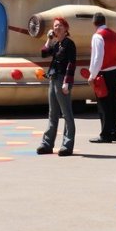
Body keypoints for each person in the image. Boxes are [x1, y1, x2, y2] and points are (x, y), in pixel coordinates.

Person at [36, 17, 77, 156]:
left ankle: (67, 144)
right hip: (53, 79)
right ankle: (47, 144)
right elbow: (43, 53)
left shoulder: (69, 44)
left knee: (67, 114)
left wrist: (67, 81)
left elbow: (71, 64)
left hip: (62, 80)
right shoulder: (57, 44)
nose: (56, 28)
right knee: (52, 114)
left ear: (66, 29)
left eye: (59, 26)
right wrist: (49, 39)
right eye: (55, 26)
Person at [87, 12, 116, 143]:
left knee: (103, 104)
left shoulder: (98, 36)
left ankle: (105, 133)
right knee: (112, 102)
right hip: (114, 71)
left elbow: (97, 58)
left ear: (94, 23)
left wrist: (92, 76)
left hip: (103, 73)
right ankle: (114, 132)